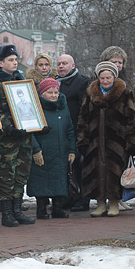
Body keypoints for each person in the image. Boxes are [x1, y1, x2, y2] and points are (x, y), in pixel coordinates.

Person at [0, 44, 48, 227]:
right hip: (8, 138)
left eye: (16, 59)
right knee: (7, 174)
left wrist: (39, 124)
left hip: (24, 136)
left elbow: (31, 105)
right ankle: (7, 212)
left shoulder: (21, 80)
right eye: (10, 60)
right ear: (0, 63)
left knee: (22, 173)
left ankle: (17, 209)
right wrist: (10, 127)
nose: (15, 63)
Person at [76, 61, 135, 217]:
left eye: (108, 78)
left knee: (114, 170)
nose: (105, 81)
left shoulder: (124, 93)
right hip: (94, 140)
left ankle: (114, 203)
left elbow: (131, 118)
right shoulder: (90, 93)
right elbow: (83, 117)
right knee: (96, 171)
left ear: (114, 77)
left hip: (116, 140)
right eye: (102, 78)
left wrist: (131, 141)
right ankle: (100, 203)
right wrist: (82, 140)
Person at [27, 78, 76, 219]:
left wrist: (72, 150)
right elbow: (30, 131)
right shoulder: (35, 108)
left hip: (61, 151)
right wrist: (35, 149)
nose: (54, 95)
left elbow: (70, 130)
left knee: (59, 179)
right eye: (50, 92)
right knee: (40, 179)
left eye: (56, 92)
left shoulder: (63, 107)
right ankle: (41, 209)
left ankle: (57, 208)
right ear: (42, 93)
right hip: (42, 151)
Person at [56, 53, 90, 211]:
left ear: (73, 65)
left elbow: (85, 109)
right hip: (59, 132)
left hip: (77, 131)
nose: (61, 66)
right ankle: (68, 197)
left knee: (79, 166)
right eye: (59, 64)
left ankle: (83, 199)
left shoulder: (82, 82)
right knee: (65, 167)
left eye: (64, 63)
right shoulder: (55, 83)